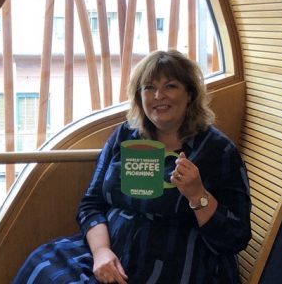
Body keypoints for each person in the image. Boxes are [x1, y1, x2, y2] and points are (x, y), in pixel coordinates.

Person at [13, 50, 251, 283]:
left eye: (170, 86)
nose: (159, 95)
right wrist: (101, 253)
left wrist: (198, 195)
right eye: (149, 87)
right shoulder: (126, 135)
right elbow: (91, 203)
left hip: (175, 262)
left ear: (190, 94)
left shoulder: (217, 151)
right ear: (139, 97)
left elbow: (235, 237)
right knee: (41, 265)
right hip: (112, 250)